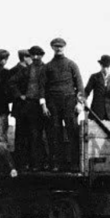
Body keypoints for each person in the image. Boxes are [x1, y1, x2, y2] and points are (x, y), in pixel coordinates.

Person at [39, 38, 84, 171]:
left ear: (64, 47)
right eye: (56, 46)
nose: (58, 49)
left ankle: (75, 163)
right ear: (52, 47)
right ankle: (57, 163)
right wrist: (43, 105)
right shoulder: (47, 67)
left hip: (69, 101)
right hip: (52, 102)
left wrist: (80, 103)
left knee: (72, 131)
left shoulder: (71, 64)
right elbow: (42, 87)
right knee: (54, 132)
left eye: (61, 46)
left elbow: (80, 85)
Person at [8, 46, 49, 170]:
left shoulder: (47, 68)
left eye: (38, 55)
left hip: (42, 106)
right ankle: (27, 163)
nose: (35, 57)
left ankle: (39, 163)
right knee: (27, 134)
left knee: (39, 135)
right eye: (33, 55)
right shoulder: (26, 70)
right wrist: (20, 95)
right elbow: (12, 82)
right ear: (30, 56)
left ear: (42, 55)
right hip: (29, 106)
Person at [84, 54, 110, 121]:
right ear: (101, 65)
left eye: (107, 67)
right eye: (104, 66)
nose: (105, 69)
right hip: (97, 114)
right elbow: (86, 92)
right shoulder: (94, 77)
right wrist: (80, 102)